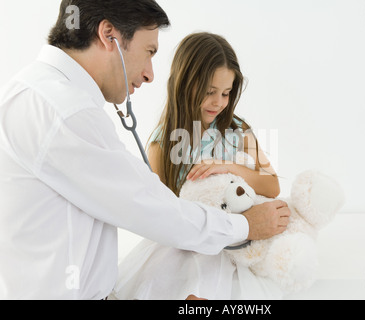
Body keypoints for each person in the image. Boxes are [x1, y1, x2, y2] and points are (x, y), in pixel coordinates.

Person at [0, 0, 290, 300]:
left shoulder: (39, 94)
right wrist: (244, 225)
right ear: (108, 34)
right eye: (149, 51)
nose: (151, 74)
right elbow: (156, 210)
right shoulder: (65, 112)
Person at [112, 33, 286, 300]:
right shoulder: (162, 145)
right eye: (209, 92)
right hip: (189, 240)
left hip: (234, 241)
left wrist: (227, 167)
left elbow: (272, 185)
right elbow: (165, 215)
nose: (218, 102)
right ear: (185, 85)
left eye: (226, 93)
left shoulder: (238, 132)